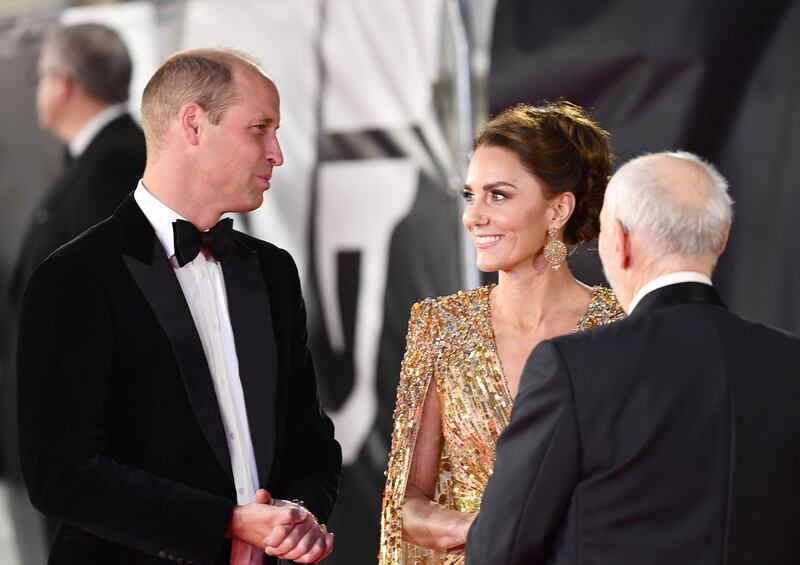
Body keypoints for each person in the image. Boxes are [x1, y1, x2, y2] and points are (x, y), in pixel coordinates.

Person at [17, 47, 341, 565]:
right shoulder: (75, 277)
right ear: (193, 124)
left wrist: (297, 515)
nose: (276, 152)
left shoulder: (273, 271)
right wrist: (228, 525)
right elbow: (62, 474)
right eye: (259, 128)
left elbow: (310, 438)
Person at [466, 151, 800, 564]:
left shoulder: (571, 367)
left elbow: (500, 549)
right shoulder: (789, 363)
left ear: (620, 241)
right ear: (721, 239)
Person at [379, 102, 625, 564]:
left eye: (499, 195)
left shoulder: (622, 326)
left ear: (558, 209)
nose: (474, 216)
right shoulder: (441, 326)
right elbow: (405, 500)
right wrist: (474, 528)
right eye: (470, 195)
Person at [3, 22, 146, 562]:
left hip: (85, 443)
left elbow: (106, 309)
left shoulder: (114, 162)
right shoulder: (95, 157)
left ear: (64, 84)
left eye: (40, 78)